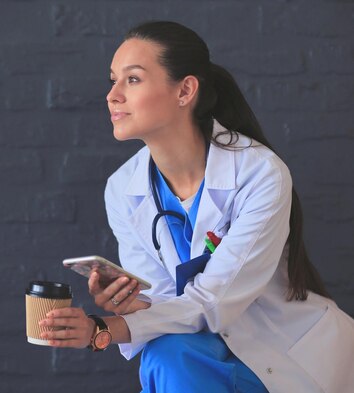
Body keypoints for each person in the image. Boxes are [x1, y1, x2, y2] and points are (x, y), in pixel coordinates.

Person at [38, 21, 354, 393]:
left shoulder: (260, 173)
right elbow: (163, 304)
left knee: (169, 355)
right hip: (198, 353)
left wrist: (103, 330)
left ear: (185, 90)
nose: (112, 95)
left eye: (133, 80)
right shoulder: (123, 188)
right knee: (167, 354)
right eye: (112, 80)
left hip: (283, 356)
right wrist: (130, 303)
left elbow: (215, 302)